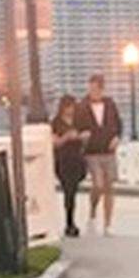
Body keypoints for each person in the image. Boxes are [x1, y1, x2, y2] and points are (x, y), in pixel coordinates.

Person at [76, 73, 123, 234]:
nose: (92, 92)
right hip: (92, 151)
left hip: (109, 150)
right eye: (90, 88)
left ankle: (108, 224)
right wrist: (81, 136)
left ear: (102, 89)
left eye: (95, 89)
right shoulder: (82, 106)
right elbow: (77, 126)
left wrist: (117, 138)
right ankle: (92, 213)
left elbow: (118, 124)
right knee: (98, 185)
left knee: (109, 187)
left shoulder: (110, 104)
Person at [51, 94, 86, 237]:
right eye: (68, 107)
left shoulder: (79, 121)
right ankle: (69, 222)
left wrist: (81, 137)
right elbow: (55, 142)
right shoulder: (56, 122)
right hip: (64, 160)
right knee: (69, 191)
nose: (70, 110)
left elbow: (85, 136)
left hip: (77, 159)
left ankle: (71, 220)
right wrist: (66, 137)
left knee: (74, 190)